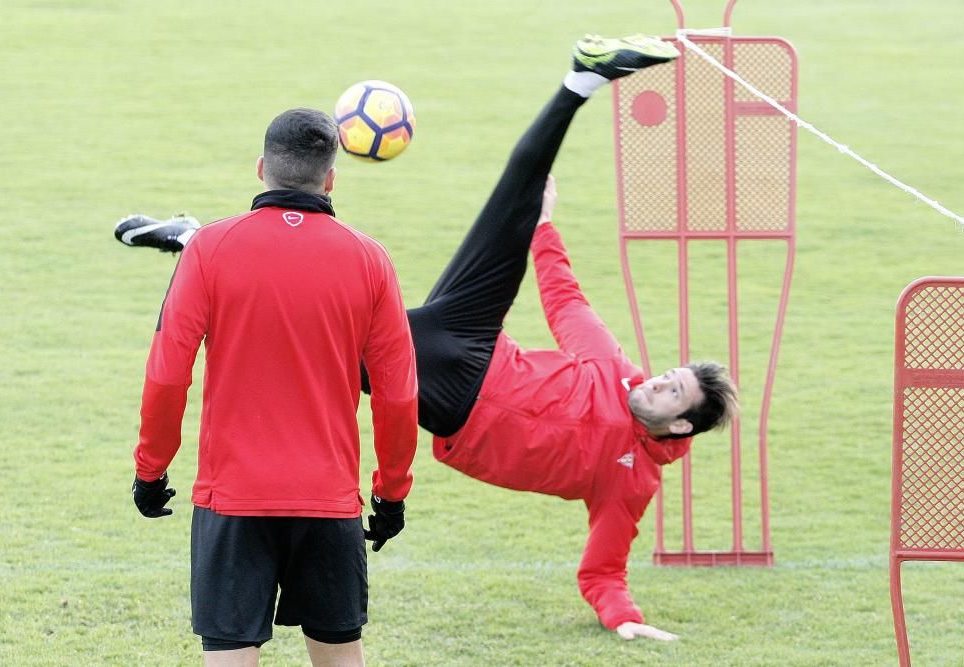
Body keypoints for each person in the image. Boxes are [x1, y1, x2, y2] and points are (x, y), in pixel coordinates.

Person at [118, 33, 739, 643]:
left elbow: (605, 567)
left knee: (295, 339)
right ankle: (585, 78)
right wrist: (542, 229)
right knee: (514, 203)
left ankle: (194, 242)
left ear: (681, 427)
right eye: (670, 372)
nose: (658, 379)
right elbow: (565, 300)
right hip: (470, 338)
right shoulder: (613, 366)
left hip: (445, 400)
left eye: (672, 391)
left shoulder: (631, 481)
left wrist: (624, 618)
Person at [129, 106, 419, 666]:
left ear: (261, 167)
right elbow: (398, 391)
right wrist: (392, 490)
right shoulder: (371, 260)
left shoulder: (207, 250)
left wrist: (150, 469)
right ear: (330, 178)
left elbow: (167, 372)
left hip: (232, 500)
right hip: (329, 503)